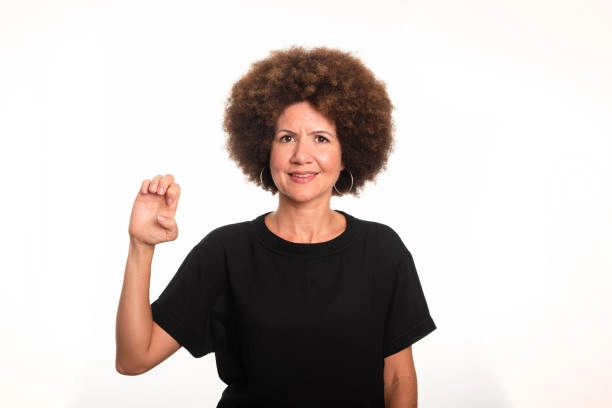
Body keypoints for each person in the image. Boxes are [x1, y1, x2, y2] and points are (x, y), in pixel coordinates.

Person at [116, 46, 436, 408]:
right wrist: (141, 247)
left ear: (347, 153)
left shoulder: (382, 251)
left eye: (320, 138)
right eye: (287, 137)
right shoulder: (226, 251)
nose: (301, 155)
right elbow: (133, 359)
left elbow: (398, 378)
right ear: (264, 149)